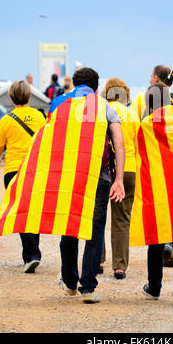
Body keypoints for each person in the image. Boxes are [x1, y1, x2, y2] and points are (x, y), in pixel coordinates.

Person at [50, 68, 126, 303]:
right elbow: (119, 143)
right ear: (95, 86)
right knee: (95, 229)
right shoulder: (104, 106)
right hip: (98, 176)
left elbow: (49, 140)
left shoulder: (59, 103)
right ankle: (88, 287)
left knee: (69, 225)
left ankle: (70, 283)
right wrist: (119, 180)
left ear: (74, 84)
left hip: (68, 176)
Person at [136, 83, 173, 305]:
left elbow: (141, 154)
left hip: (157, 187)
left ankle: (154, 288)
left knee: (156, 241)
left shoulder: (146, 125)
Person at [0, 80, 46, 273]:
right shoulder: (41, 117)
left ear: (11, 97)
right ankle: (34, 253)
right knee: (34, 210)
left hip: (14, 171)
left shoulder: (6, 120)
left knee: (21, 211)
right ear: (29, 96)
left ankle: (31, 255)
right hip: (36, 169)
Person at [100, 78, 139, 279]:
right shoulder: (132, 115)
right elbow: (139, 146)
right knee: (122, 219)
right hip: (129, 169)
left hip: (103, 168)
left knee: (98, 216)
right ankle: (119, 266)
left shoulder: (100, 113)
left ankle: (97, 260)